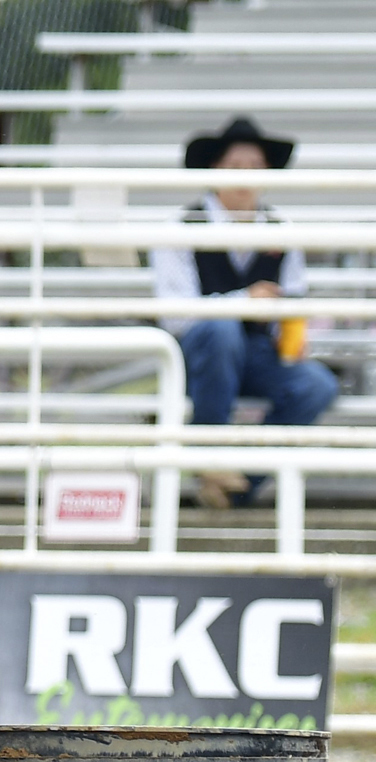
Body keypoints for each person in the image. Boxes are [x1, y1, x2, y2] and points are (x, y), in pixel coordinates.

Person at [151, 117, 338, 508]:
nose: (245, 176)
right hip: (195, 358)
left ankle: (232, 485)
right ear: (214, 170)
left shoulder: (281, 228)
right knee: (220, 331)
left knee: (317, 385)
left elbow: (296, 299)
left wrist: (291, 329)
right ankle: (213, 457)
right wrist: (243, 303)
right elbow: (176, 318)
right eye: (235, 166)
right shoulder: (181, 227)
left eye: (254, 167)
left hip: (255, 353)